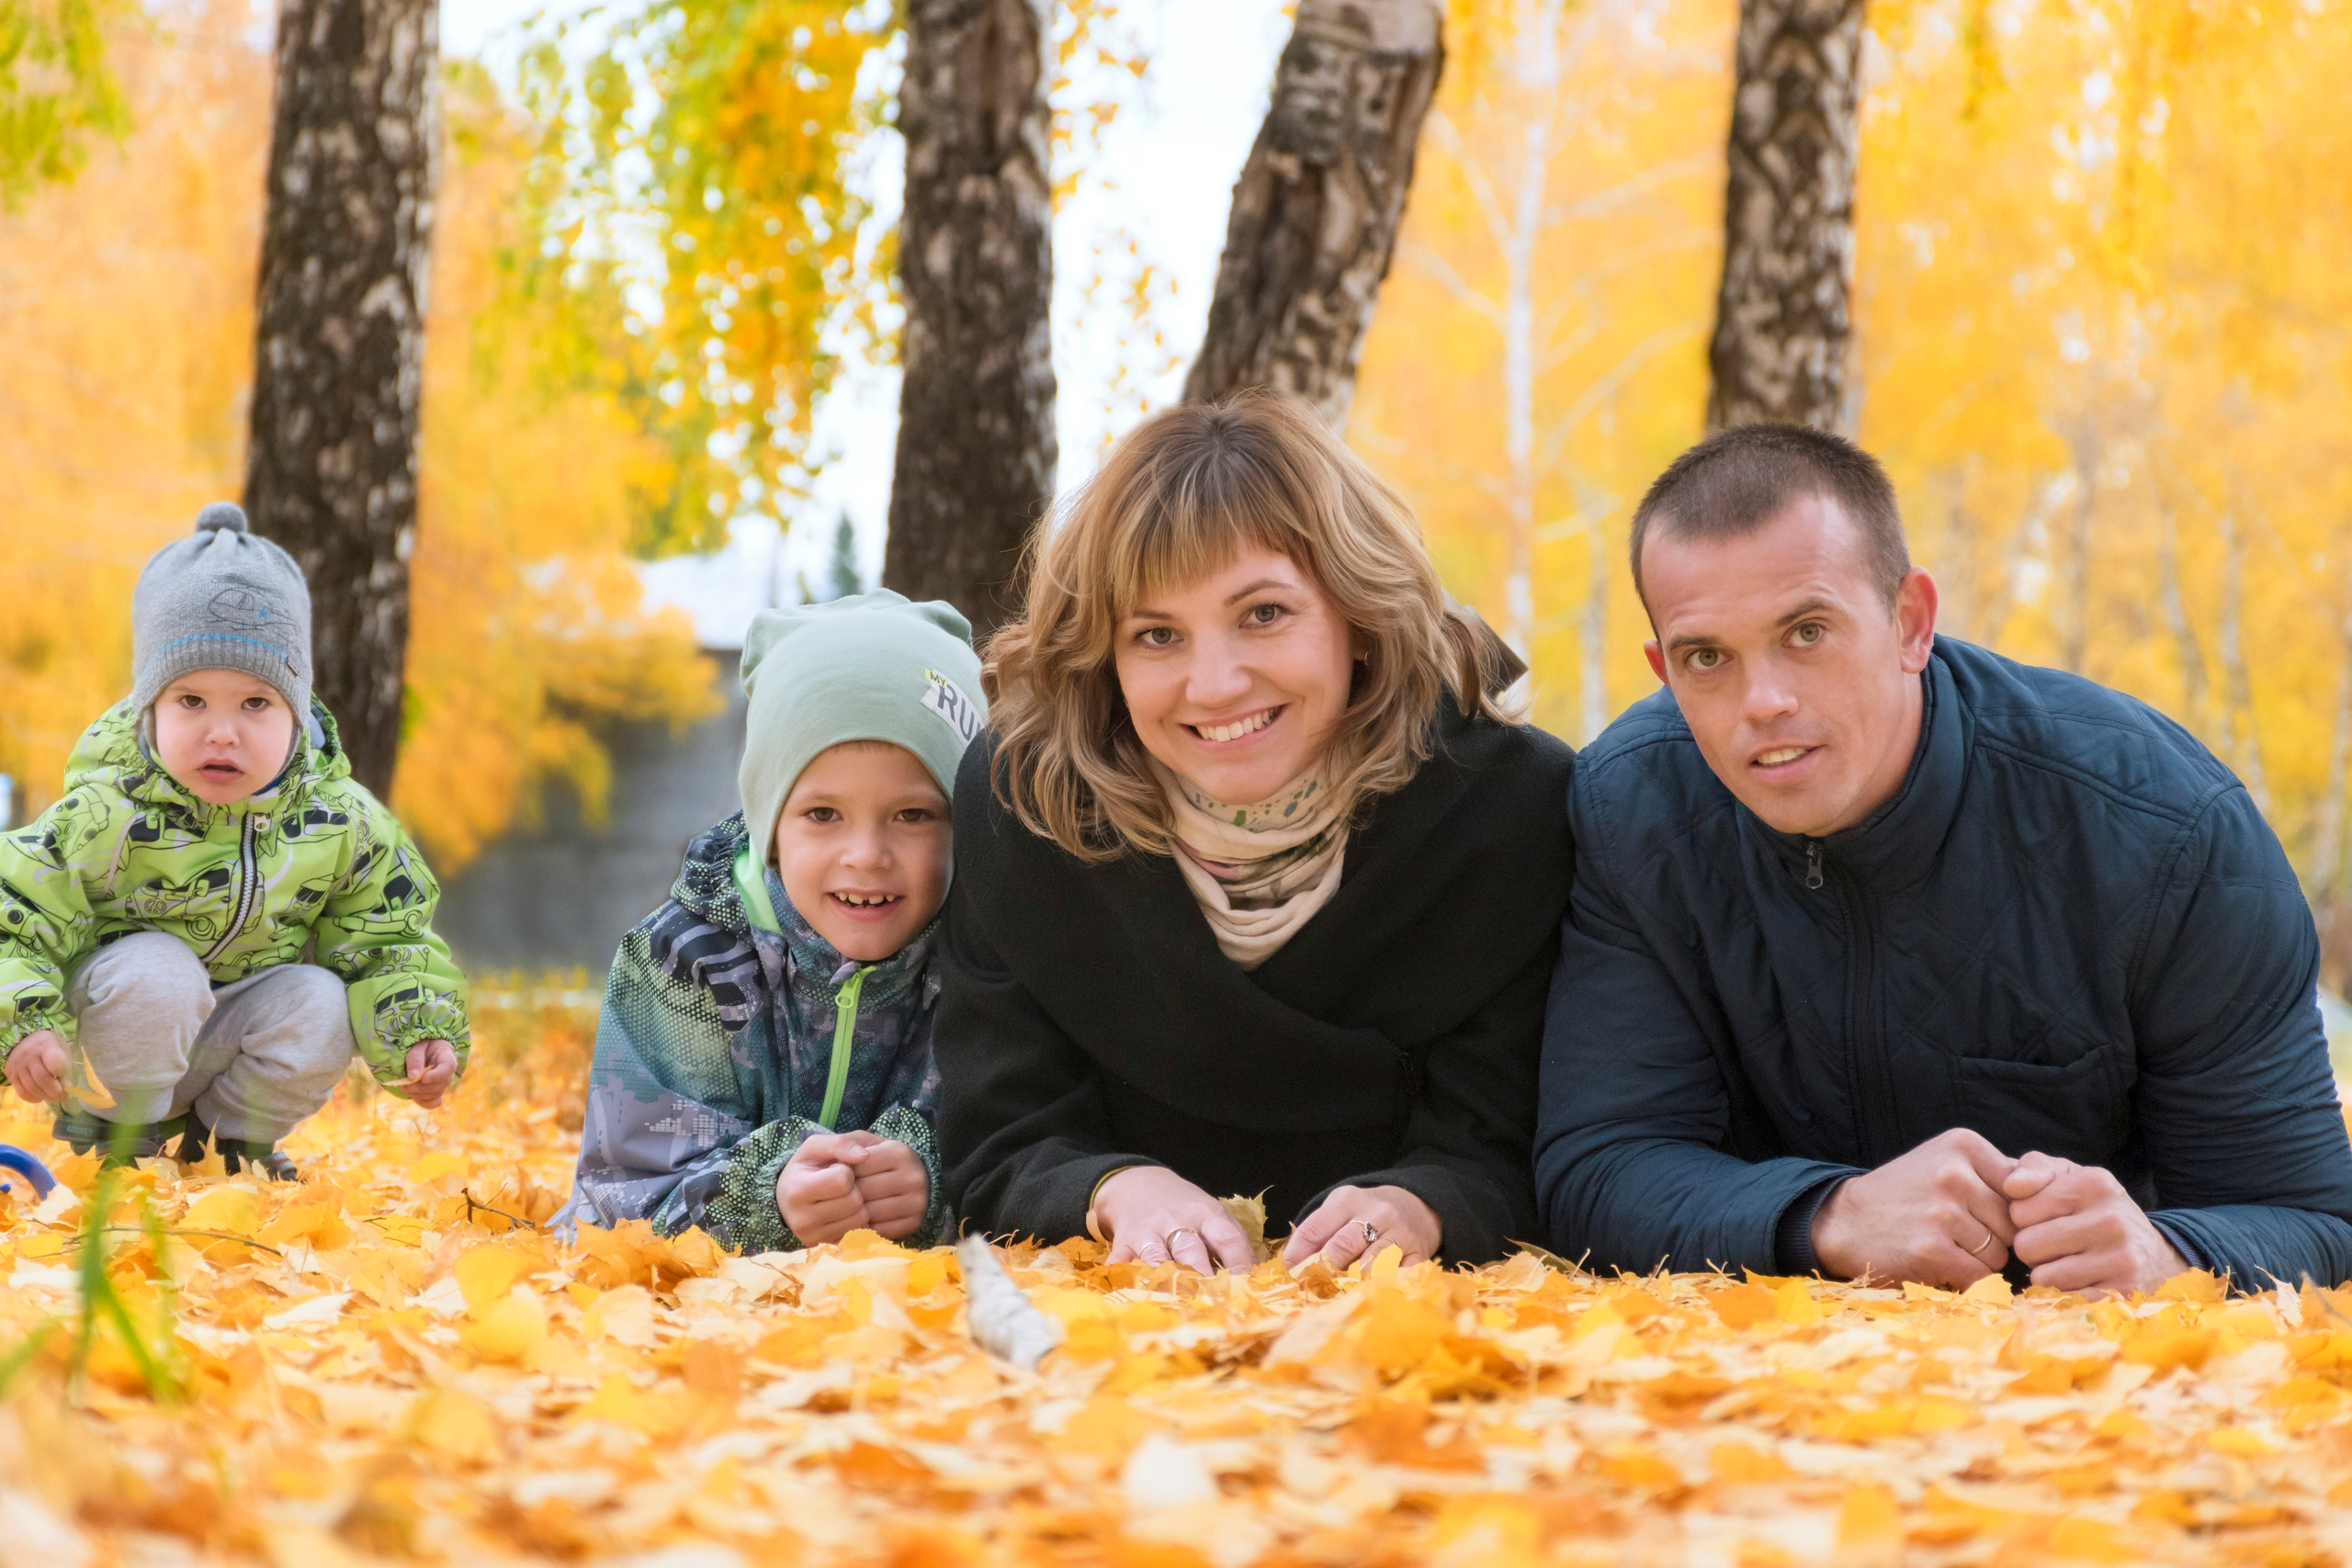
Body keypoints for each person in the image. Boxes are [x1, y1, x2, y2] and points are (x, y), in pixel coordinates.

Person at [1536, 424, 2352, 1295]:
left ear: (1911, 624)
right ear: (1664, 671)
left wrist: (2170, 1254)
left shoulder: (2166, 830)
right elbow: (1600, 1165)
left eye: (1807, 631)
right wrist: (1830, 1216)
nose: (1763, 701)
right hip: (1742, 1364)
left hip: (2080, 1360)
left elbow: (2316, 1221)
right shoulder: (1635, 810)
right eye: (1707, 657)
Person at [936, 392, 1573, 1274]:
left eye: (1264, 614)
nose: (1215, 683)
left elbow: (1506, 1139)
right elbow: (997, 1137)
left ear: (1359, 617)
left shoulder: (1505, 805)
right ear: (1106, 658)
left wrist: (1420, 1204)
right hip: (1115, 1316)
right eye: (1157, 634)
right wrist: (1115, 1189)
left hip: (1397, 1315)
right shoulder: (1027, 804)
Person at [0, 502, 468, 1176]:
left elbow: (390, 938)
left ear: (297, 712)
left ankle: (233, 1148)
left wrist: (418, 1029)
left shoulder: (343, 822)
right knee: (157, 967)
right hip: (114, 1048)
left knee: (319, 998)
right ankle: (121, 1140)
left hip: (230, 1037)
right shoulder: (102, 813)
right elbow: (15, 914)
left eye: (255, 703)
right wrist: (24, 1024)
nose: (222, 732)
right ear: (149, 709)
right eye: (191, 701)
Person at [556, 591, 985, 1252]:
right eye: (823, 814)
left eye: (913, 815)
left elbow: (1034, 1148)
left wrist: (938, 1186)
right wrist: (765, 1197)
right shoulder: (684, 959)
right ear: (770, 826)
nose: (866, 855)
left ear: (965, 823)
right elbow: (622, 1197)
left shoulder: (989, 962)